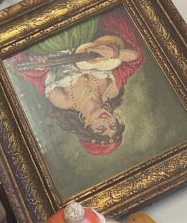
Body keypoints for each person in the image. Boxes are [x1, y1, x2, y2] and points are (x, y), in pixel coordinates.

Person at [11, 11, 144, 154]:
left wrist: (39, 64)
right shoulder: (111, 91)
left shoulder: (64, 101)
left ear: (87, 126)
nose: (107, 122)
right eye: (113, 125)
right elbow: (136, 59)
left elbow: (37, 74)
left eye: (101, 128)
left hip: (51, 42)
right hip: (84, 30)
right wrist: (114, 53)